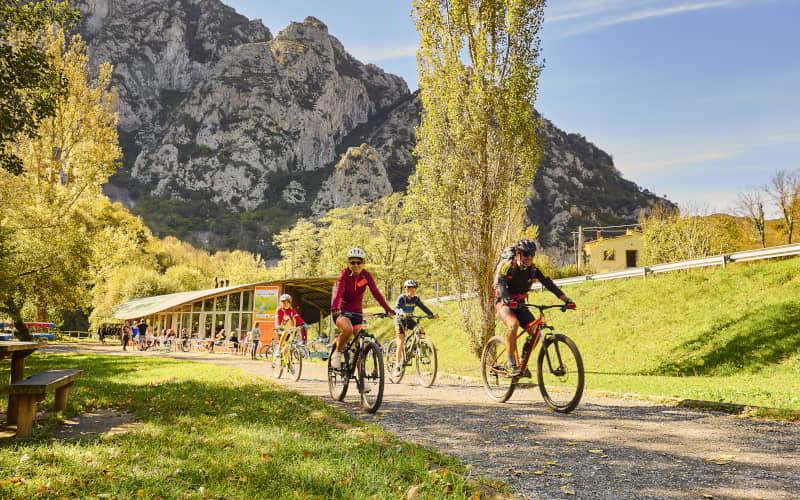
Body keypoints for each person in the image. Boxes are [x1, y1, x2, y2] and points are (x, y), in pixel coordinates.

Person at [494, 239, 575, 377]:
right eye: (526, 254)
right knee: (513, 324)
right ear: (518, 254)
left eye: (532, 255)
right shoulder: (508, 267)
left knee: (536, 332)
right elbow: (500, 284)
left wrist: (566, 300)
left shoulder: (533, 270)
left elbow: (548, 284)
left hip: (520, 304)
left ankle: (522, 364)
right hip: (504, 302)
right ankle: (511, 363)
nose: (529, 258)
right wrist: (507, 298)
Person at [329, 248, 395, 369]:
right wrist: (335, 307)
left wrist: (387, 308)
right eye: (352, 262)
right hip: (341, 312)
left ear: (363, 263)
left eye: (358, 262)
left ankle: (362, 381)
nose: (356, 265)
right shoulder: (344, 274)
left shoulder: (366, 275)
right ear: (348, 263)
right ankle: (337, 353)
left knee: (361, 345)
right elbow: (339, 292)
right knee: (348, 330)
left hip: (357, 313)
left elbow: (376, 292)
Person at [393, 279, 436, 377]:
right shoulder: (402, 298)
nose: (411, 291)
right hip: (399, 320)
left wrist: (431, 314)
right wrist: (401, 313)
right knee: (401, 341)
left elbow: (423, 307)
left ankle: (422, 354)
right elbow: (396, 308)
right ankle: (397, 366)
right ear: (405, 289)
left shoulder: (416, 299)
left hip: (409, 319)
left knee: (420, 330)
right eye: (409, 288)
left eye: (413, 289)